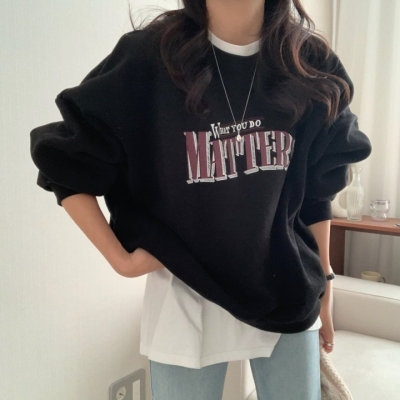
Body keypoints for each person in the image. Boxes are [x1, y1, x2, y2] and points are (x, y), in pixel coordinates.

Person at [30, 0, 372, 399]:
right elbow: (64, 158)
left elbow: (317, 189)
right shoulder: (150, 58)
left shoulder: (307, 61)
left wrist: (326, 283)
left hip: (288, 286)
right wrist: (121, 261)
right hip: (185, 294)